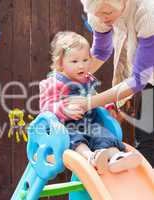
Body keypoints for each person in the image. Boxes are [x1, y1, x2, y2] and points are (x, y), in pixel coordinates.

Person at [39, 31, 141, 174]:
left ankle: (115, 157)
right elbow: (45, 107)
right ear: (61, 63)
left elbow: (94, 97)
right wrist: (64, 109)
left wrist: (107, 106)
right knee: (76, 138)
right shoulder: (55, 82)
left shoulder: (87, 80)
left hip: (90, 125)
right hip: (65, 128)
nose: (81, 66)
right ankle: (91, 157)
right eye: (74, 61)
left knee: (104, 135)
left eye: (85, 60)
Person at [66, 0, 154, 165]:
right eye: (99, 14)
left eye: (107, 14)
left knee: (150, 145)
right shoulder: (99, 11)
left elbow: (138, 80)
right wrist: (67, 79)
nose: (103, 19)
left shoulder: (148, 12)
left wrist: (88, 103)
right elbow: (101, 51)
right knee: (146, 141)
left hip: (144, 77)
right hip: (147, 80)